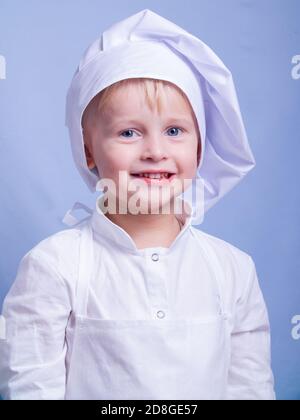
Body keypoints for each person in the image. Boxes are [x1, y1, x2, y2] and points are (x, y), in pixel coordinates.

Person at [0, 9, 275, 400]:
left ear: (199, 148)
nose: (155, 151)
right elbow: (30, 386)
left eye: (175, 130)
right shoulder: (54, 266)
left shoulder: (233, 270)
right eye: (128, 132)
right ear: (88, 149)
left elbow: (251, 388)